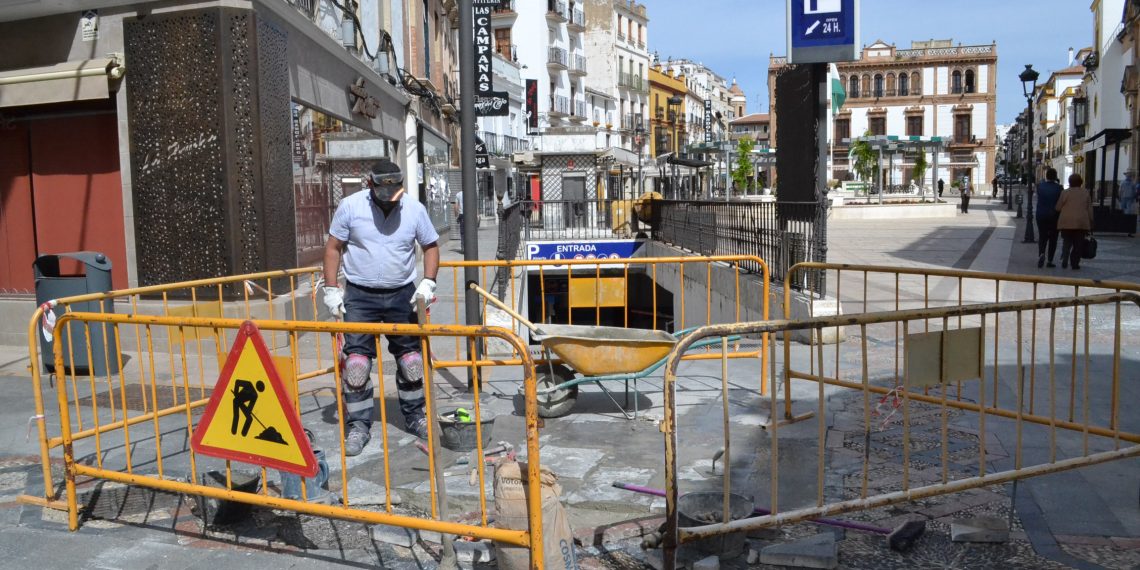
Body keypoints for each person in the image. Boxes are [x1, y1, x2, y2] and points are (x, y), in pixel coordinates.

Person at [323, 159, 440, 456]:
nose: (389, 200)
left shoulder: (414, 209)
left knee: (411, 361)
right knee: (356, 365)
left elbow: (430, 246)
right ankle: (358, 425)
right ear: (370, 185)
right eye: (383, 193)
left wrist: (428, 282)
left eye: (395, 193)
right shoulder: (350, 207)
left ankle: (415, 416)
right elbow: (333, 248)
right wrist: (331, 289)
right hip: (360, 295)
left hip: (402, 294)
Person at [1056, 173, 1094, 270]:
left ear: (1070, 182)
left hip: (1066, 222)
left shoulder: (1065, 192)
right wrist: (1091, 221)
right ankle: (1074, 263)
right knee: (1078, 244)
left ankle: (1065, 258)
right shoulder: (1085, 193)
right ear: (1080, 182)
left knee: (1066, 242)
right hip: (1081, 222)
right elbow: (1089, 209)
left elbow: (1058, 207)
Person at [1035, 168, 1064, 268]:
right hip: (1054, 216)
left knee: (1042, 236)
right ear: (1055, 176)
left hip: (1041, 215)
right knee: (1053, 238)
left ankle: (1041, 253)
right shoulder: (1059, 188)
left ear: (1046, 176)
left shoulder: (1040, 186)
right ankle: (1050, 260)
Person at [453, 189, 465, 253]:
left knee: (462, 232)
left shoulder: (458, 194)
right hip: (470, 215)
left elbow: (456, 206)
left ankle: (463, 248)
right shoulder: (471, 193)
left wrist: (456, 216)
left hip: (462, 215)